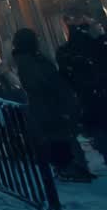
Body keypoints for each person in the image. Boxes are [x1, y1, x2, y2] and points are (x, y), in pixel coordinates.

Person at [12, 28, 93, 181]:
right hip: (49, 105)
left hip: (48, 105)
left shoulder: (29, 59)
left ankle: (71, 167)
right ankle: (68, 168)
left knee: (60, 136)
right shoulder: (30, 61)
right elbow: (40, 82)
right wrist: (56, 87)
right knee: (59, 136)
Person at [56, 13, 107, 165]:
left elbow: (65, 78)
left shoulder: (66, 51)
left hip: (88, 98)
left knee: (100, 131)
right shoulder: (98, 45)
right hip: (96, 95)